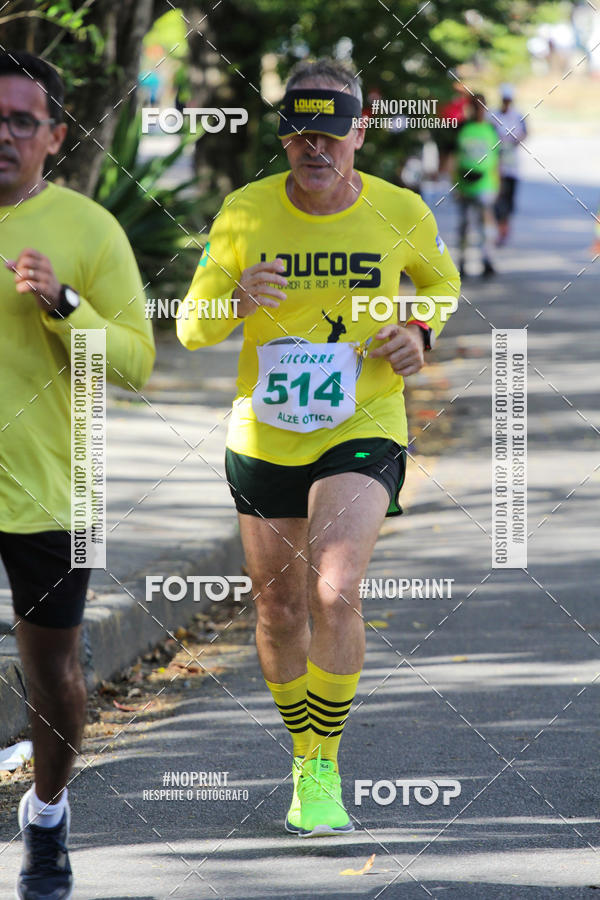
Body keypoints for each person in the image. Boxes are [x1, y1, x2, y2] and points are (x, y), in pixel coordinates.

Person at [177, 57, 460, 838]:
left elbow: (441, 283)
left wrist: (417, 332)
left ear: (359, 131)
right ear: (283, 137)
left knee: (334, 586)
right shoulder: (244, 211)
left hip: (362, 422)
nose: (315, 151)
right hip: (265, 431)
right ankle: (302, 749)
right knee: (277, 607)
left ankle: (323, 763)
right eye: (299, 135)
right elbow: (190, 328)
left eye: (330, 135)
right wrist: (235, 300)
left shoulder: (401, 210)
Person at [0, 50, 155, 899]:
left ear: (54, 136)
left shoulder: (90, 230)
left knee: (53, 672)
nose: (3, 135)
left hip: (63, 491)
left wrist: (65, 308)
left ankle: (48, 815)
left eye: (21, 121)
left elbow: (136, 365)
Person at [453, 92, 499, 278]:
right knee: (464, 224)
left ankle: (486, 259)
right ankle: (462, 261)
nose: (479, 110)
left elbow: (498, 159)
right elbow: (453, 157)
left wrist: (498, 184)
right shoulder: (462, 128)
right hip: (464, 184)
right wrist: (453, 184)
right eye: (476, 106)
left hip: (485, 184)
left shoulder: (491, 129)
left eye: (482, 106)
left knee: (485, 224)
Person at [492, 84, 527, 245]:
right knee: (498, 200)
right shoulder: (493, 116)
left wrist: (514, 140)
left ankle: (505, 228)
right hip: (496, 167)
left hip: (512, 167)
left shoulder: (518, 116)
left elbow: (524, 133)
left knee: (509, 200)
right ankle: (500, 229)